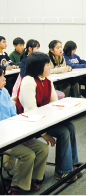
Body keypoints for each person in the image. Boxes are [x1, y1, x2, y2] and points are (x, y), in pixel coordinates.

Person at [16, 52, 82, 183]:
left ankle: (72, 163)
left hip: (44, 120)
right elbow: (31, 113)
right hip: (29, 123)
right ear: (37, 66)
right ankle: (62, 171)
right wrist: (44, 134)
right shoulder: (28, 81)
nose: (49, 67)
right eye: (46, 65)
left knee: (70, 127)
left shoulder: (47, 81)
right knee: (63, 132)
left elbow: (54, 104)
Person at [0, 65, 49, 196]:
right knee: (28, 155)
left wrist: (21, 136)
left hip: (13, 133)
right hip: (4, 138)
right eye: (1, 77)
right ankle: (16, 185)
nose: (5, 79)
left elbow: (13, 115)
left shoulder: (3, 91)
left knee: (42, 148)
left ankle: (31, 179)